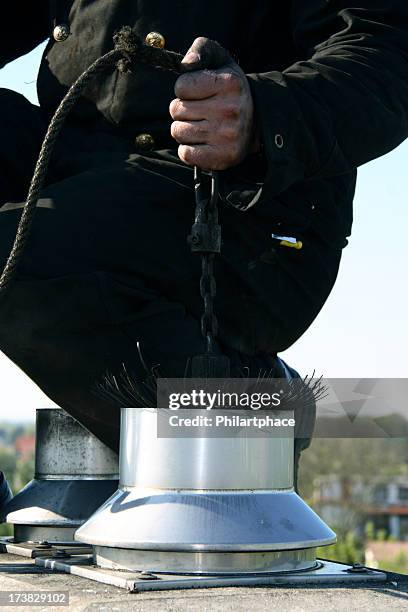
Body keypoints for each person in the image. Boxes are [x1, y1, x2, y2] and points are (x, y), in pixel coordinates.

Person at [0, 1, 407, 488]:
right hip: (75, 165)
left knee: (11, 254)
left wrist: (261, 112)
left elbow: (387, 51)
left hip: (242, 211)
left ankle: (249, 408)